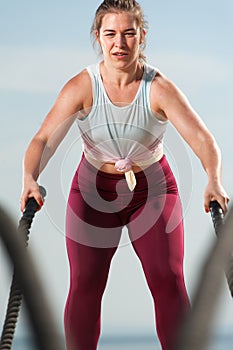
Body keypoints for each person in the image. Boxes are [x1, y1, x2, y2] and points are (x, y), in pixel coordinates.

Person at [20, 0, 230, 349]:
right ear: (98, 38)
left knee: (169, 278)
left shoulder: (158, 87)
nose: (120, 43)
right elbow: (43, 138)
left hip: (153, 190)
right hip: (92, 190)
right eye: (111, 34)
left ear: (142, 37)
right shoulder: (83, 86)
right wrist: (29, 176)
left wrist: (213, 178)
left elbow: (202, 138)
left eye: (129, 33)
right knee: (85, 282)